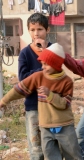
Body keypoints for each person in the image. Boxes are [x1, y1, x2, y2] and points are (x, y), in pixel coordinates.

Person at [0, 43, 82, 160]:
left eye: (46, 64)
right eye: (42, 63)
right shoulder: (38, 77)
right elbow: (20, 89)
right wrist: (4, 101)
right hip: (45, 127)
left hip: (65, 125)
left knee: (73, 155)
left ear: (56, 64)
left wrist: (50, 94)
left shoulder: (67, 81)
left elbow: (65, 104)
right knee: (50, 156)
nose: (43, 67)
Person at [18, 13, 52, 160]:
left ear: (47, 30)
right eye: (32, 30)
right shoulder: (25, 53)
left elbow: (58, 75)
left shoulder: (54, 50)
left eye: (40, 29)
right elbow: (23, 79)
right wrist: (42, 71)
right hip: (33, 107)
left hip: (53, 106)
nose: (36, 33)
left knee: (53, 147)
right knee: (37, 150)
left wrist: (46, 54)